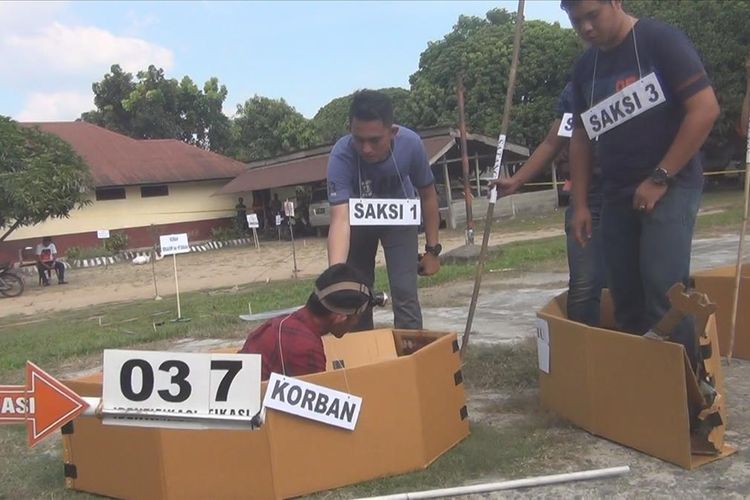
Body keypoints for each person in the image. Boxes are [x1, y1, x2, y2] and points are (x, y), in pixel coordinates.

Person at [562, 0, 720, 368]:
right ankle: (645, 388)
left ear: (615, 2)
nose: (585, 28)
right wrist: (581, 203)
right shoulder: (585, 67)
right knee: (625, 296)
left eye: (592, 16)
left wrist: (660, 177)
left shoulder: (659, 41)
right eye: (575, 21)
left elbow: (705, 108)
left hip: (671, 183)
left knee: (665, 292)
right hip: (617, 193)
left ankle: (687, 392)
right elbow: (581, 138)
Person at [489, 83, 605, 326]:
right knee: (583, 288)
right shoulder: (579, 83)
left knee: (639, 283)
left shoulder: (644, 61)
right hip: (588, 195)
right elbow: (554, 142)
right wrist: (516, 181)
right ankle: (585, 356)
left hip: (633, 189)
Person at [326, 89, 441, 331]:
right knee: (356, 292)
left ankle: (410, 358)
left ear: (393, 132)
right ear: (350, 129)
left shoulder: (411, 144)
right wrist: (335, 275)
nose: (366, 148)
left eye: (375, 140)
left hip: (399, 221)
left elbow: (428, 196)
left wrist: (432, 251)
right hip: (358, 224)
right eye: (359, 139)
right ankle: (363, 357)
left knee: (404, 291)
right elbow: (339, 219)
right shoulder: (341, 154)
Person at [238, 263, 373, 380]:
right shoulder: (306, 347)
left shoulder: (279, 324)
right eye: (357, 317)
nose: (356, 323)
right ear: (340, 317)